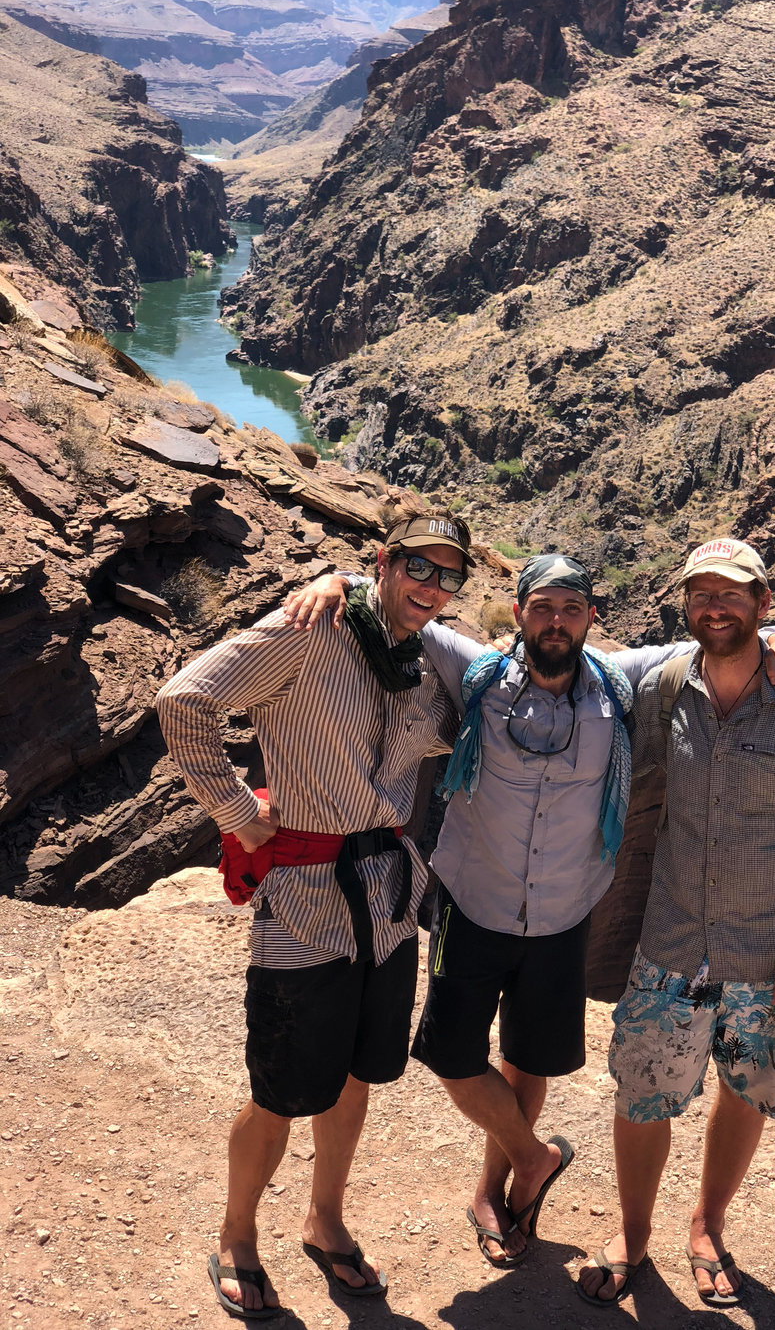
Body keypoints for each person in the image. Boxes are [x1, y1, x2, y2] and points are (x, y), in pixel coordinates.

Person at [285, 552, 775, 1269]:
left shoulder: (619, 681)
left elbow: (720, 633)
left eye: (572, 608)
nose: (558, 621)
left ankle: (497, 1192)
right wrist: (338, 579)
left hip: (565, 914)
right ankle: (535, 1156)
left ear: (591, 618)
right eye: (544, 607)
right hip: (472, 902)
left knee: (526, 1059)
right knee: (449, 1054)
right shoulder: (473, 670)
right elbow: (398, 605)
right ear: (519, 611)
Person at [156, 512, 474, 1318]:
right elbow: (184, 699)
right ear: (384, 560)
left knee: (357, 1074)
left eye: (447, 576)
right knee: (279, 1088)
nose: (430, 587)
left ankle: (324, 1218)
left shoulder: (424, 655)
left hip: (389, 899)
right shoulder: (310, 626)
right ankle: (236, 1234)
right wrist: (233, 809)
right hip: (304, 898)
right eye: (417, 568)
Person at [577, 537, 775, 1308]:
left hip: (769, 955)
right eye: (702, 592)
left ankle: (707, 1224)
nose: (716, 605)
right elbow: (569, 656)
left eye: (733, 593)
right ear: (686, 604)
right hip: (669, 942)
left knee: (744, 1091)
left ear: (762, 604)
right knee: (642, 1095)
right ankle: (634, 1235)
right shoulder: (666, 686)